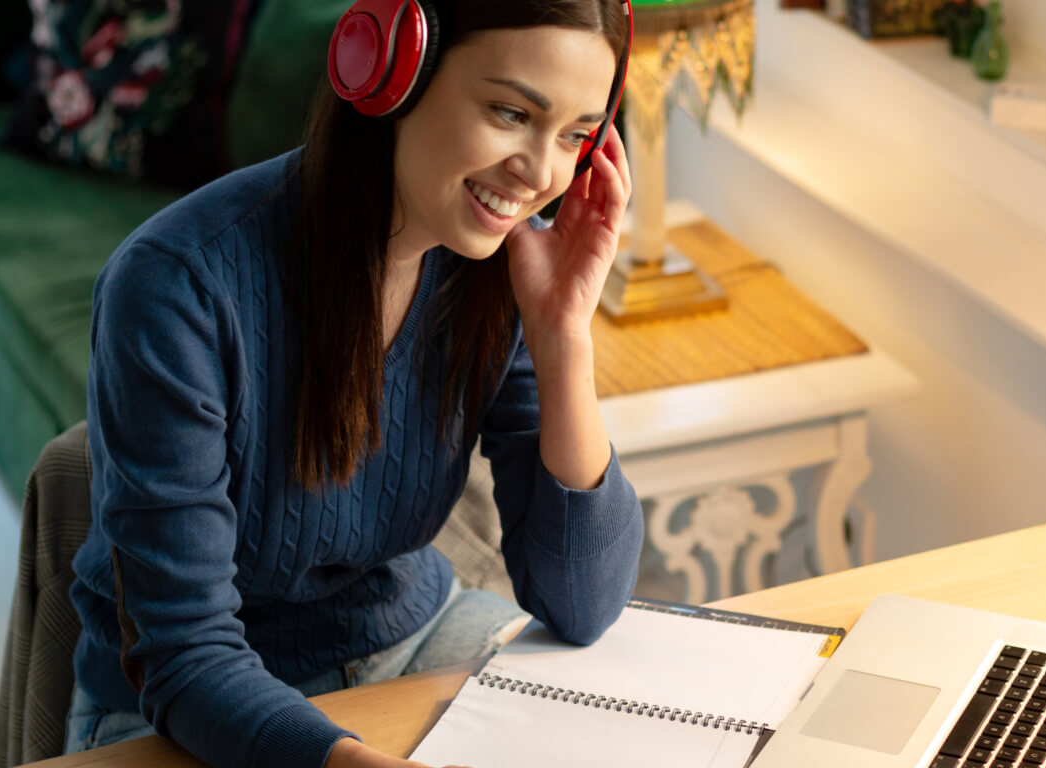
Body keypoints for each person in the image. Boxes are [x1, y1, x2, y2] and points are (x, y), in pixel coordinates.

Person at [59, 1, 641, 766]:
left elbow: (584, 605)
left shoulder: (502, 269)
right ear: (392, 74)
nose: (540, 174)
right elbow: (185, 656)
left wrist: (563, 334)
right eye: (509, 112)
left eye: (574, 136)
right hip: (189, 713)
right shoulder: (175, 286)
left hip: (412, 640)